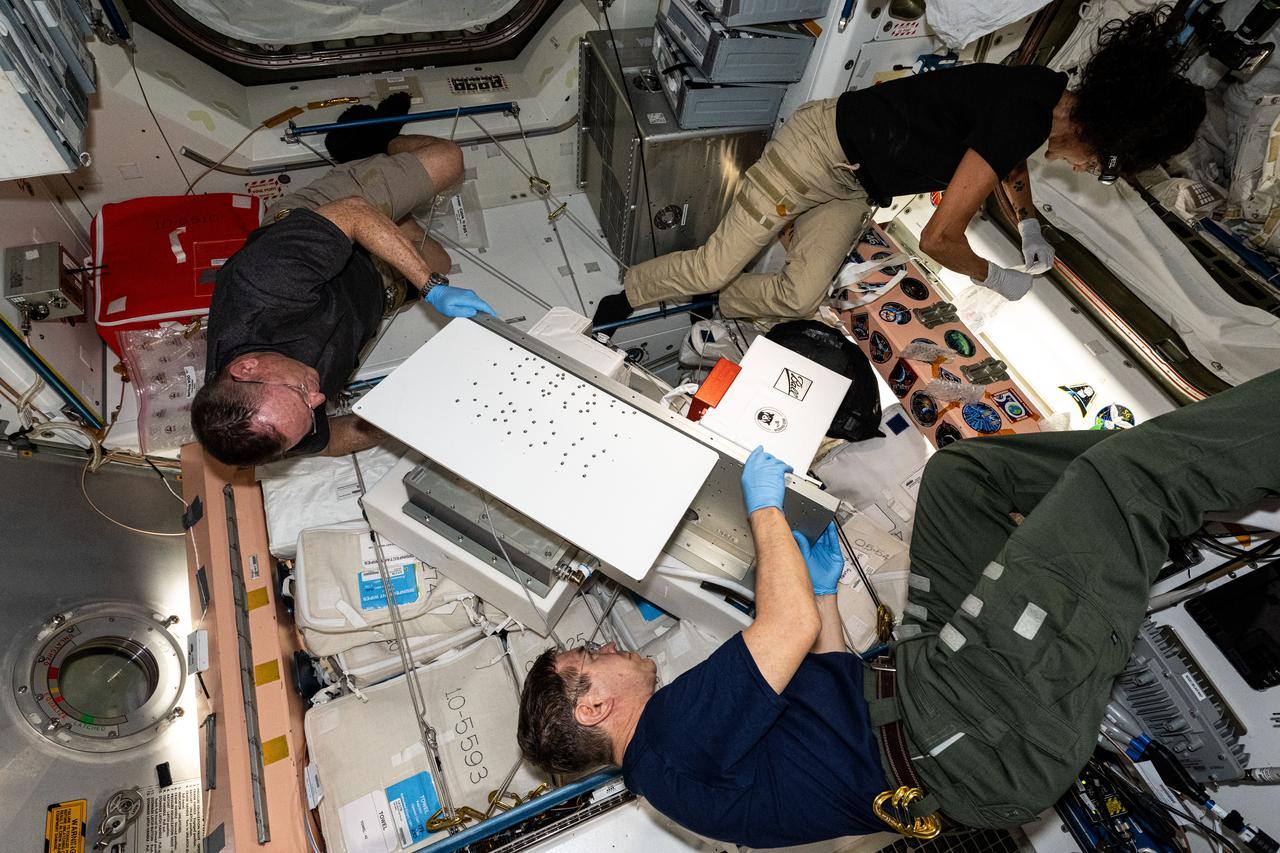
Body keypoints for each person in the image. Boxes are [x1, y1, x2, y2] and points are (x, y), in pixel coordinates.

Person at [516, 366, 1280, 847]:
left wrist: (817, 588)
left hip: (919, 691)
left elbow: (827, 668)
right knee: (1128, 479)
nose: (607, 647)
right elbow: (781, 630)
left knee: (959, 479)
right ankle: (1165, 477)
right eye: (591, 657)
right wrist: (764, 510)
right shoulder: (666, 748)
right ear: (592, 708)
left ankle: (1190, 470)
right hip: (968, 731)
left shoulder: (680, 748)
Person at [592, 6, 1206, 329]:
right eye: (1103, 167)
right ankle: (627, 295)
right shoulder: (1026, 112)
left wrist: (1028, 224)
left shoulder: (1044, 96)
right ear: (1106, 135)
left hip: (853, 185)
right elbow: (941, 237)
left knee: (801, 296)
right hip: (816, 150)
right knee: (715, 263)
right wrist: (993, 279)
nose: (1086, 170)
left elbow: (1007, 163)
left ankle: (718, 306)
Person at [191, 93, 496, 467]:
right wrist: (402, 418)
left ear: (247, 368)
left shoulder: (263, 283)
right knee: (439, 260)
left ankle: (372, 142)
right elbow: (332, 439)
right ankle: (393, 224)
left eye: (303, 393)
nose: (319, 399)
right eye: (311, 410)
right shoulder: (266, 432)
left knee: (448, 160)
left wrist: (432, 288)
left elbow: (352, 213)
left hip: (327, 223)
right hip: (366, 291)